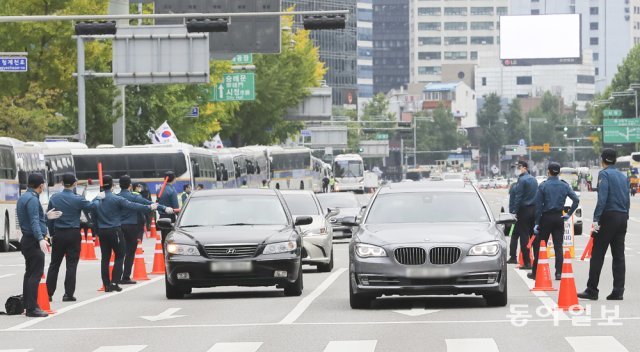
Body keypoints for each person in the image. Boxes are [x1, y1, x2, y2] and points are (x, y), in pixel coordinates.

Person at [578, 149, 630, 301]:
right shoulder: (623, 176)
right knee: (619, 256)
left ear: (603, 160)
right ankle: (618, 290)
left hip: (608, 216)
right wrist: (625, 215)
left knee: (598, 254)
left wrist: (596, 220)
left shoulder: (604, 174)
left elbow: (602, 199)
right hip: (622, 217)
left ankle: (592, 289)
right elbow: (626, 199)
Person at [92, 175, 157, 292]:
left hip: (102, 231)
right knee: (120, 255)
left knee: (105, 258)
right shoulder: (116, 198)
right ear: (112, 185)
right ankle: (115, 282)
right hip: (115, 230)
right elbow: (132, 205)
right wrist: (149, 207)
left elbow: (91, 211)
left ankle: (106, 284)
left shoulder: (97, 199)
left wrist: (96, 230)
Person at [17, 174, 62, 317]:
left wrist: (45, 216)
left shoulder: (23, 197)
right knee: (35, 274)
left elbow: (33, 218)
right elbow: (34, 221)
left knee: (29, 273)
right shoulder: (32, 199)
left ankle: (27, 305)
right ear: (41, 185)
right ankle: (32, 308)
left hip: (27, 239)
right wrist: (40, 238)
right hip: (33, 240)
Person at [46, 173, 94, 302]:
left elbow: (50, 217)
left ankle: (48, 293)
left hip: (58, 233)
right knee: (71, 265)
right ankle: (68, 294)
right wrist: (99, 198)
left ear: (62, 183)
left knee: (54, 264)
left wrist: (51, 234)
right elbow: (92, 207)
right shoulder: (78, 199)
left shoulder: (54, 198)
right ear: (75, 184)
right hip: (73, 233)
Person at [528, 163, 579, 281]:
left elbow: (538, 206)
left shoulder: (543, 186)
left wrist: (536, 222)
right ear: (559, 172)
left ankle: (535, 272)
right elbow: (576, 200)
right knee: (558, 246)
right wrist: (568, 214)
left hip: (546, 218)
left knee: (541, 246)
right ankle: (559, 273)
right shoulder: (564, 185)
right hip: (558, 218)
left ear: (549, 171)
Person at [118, 176, 172, 284]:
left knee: (120, 252)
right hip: (132, 226)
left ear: (119, 185)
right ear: (130, 186)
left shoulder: (116, 197)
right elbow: (149, 204)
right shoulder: (133, 197)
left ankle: (116, 277)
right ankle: (126, 276)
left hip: (118, 226)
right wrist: (164, 208)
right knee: (130, 252)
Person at [509, 160, 538, 270]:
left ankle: (527, 262)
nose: (518, 169)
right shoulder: (534, 179)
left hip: (524, 210)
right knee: (533, 236)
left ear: (525, 168)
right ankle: (537, 260)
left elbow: (518, 197)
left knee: (524, 236)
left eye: (519, 167)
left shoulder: (521, 180)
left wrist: (515, 212)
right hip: (534, 210)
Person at [157, 171, 180, 243]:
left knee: (164, 237)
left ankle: (163, 252)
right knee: (170, 238)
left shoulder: (159, 190)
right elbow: (175, 207)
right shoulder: (172, 191)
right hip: (170, 218)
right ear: (173, 179)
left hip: (161, 217)